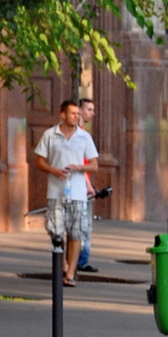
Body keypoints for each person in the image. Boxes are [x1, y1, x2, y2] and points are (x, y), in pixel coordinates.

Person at [33, 100, 98, 287]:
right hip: (56, 192)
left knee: (76, 232)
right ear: (63, 115)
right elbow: (39, 161)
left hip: (77, 193)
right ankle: (63, 264)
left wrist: (80, 167)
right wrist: (53, 170)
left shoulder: (84, 137)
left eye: (78, 114)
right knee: (55, 230)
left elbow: (94, 165)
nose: (77, 117)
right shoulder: (50, 135)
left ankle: (70, 273)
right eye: (73, 114)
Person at [76, 98, 97, 274]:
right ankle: (81, 260)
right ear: (80, 111)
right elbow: (82, 165)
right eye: (89, 109)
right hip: (81, 188)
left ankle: (79, 259)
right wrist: (89, 186)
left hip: (83, 186)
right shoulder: (80, 135)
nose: (92, 113)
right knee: (83, 226)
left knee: (82, 225)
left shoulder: (81, 134)